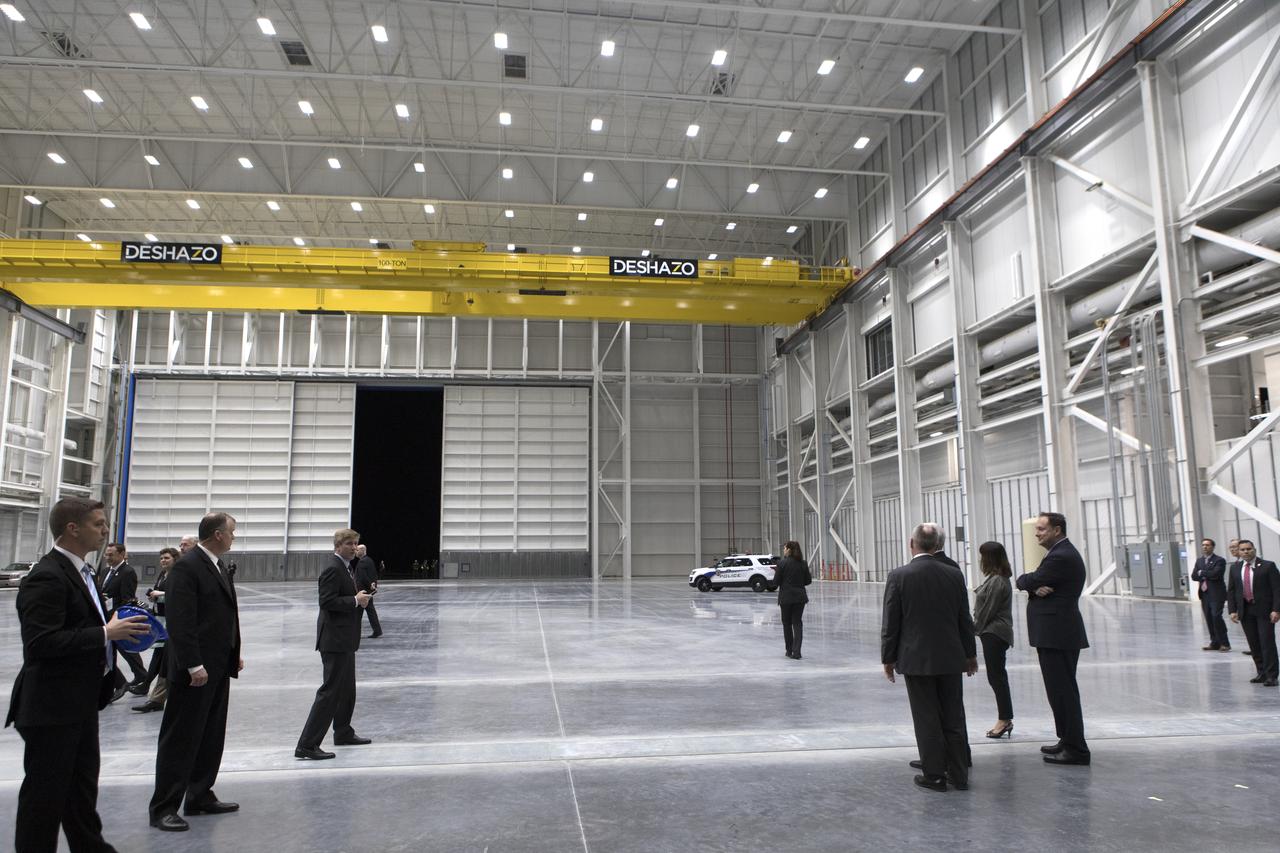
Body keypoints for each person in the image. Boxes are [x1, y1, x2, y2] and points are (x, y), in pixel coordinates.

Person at [6, 497, 149, 853]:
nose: (105, 531)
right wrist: (106, 633)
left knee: (80, 791)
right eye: (98, 524)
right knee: (45, 799)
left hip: (80, 702)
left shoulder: (84, 573)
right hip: (51, 707)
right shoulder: (46, 577)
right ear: (73, 528)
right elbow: (40, 643)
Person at [149, 513, 243, 832]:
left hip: (217, 665)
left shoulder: (216, 565)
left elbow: (222, 615)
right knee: (181, 738)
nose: (233, 537)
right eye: (231, 532)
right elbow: (180, 620)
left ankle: (199, 794)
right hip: (196, 669)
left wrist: (234, 653)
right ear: (217, 534)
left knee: (209, 734)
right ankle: (164, 806)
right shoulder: (187, 568)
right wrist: (193, 663)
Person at [881, 522, 977, 792]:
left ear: (912, 544)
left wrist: (888, 659)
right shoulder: (954, 575)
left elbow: (892, 623)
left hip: (916, 658)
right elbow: (963, 620)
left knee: (926, 718)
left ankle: (934, 775)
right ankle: (959, 776)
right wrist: (970, 654)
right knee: (953, 716)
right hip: (950, 657)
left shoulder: (899, 576)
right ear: (937, 545)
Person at [1016, 512, 1090, 766]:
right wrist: (1034, 586)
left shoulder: (1060, 557)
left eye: (1041, 529)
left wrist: (1030, 583)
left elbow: (1027, 579)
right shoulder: (1058, 554)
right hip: (1055, 633)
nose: (1036, 533)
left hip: (1058, 633)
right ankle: (1067, 740)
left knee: (1063, 692)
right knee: (1058, 691)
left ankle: (1076, 749)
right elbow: (1035, 582)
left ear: (1057, 530)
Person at [295, 529, 374, 760]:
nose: (354, 547)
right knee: (330, 692)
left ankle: (343, 732)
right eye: (349, 543)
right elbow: (326, 601)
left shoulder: (346, 567)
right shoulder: (333, 568)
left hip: (345, 639)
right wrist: (354, 601)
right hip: (335, 640)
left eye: (356, 543)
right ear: (338, 546)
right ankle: (307, 744)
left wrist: (357, 596)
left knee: (347, 690)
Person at [973, 541, 1014, 739]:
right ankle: (1005, 718)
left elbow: (988, 610)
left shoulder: (997, 581)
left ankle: (1004, 719)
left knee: (996, 677)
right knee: (996, 676)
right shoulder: (995, 579)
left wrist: (973, 629)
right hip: (992, 632)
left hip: (995, 633)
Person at [1226, 539, 1279, 686]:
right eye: (1242, 550)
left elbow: (1277, 589)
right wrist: (1232, 610)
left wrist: (1276, 609)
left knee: (1266, 642)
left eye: (1248, 549)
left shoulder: (1268, 566)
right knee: (1254, 643)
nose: (1245, 552)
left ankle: (1271, 676)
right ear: (1239, 551)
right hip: (1245, 610)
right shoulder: (1235, 568)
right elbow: (1231, 591)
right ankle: (1261, 672)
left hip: (1264, 611)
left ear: (1254, 549)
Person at [101, 542, 149, 697]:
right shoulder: (106, 571)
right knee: (118, 650)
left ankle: (135, 677)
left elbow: (127, 599)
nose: (108, 557)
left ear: (122, 555)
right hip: (105, 617)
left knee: (124, 649)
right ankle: (139, 675)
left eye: (111, 555)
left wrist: (117, 617)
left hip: (116, 618)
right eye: (106, 554)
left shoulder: (127, 572)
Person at [134, 547, 178, 714]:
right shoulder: (162, 574)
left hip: (170, 621)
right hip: (160, 618)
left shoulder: (177, 575)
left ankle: (148, 686)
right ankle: (150, 689)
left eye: (166, 558)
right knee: (160, 656)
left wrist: (161, 594)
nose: (163, 561)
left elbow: (177, 595)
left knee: (162, 657)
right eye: (161, 558)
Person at [774, 540, 812, 659]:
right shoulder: (803, 563)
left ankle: (789, 650)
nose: (784, 550)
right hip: (800, 598)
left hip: (786, 598)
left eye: (785, 548)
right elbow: (808, 581)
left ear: (789, 550)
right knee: (797, 623)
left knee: (787, 624)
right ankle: (797, 652)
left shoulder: (781, 564)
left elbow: (775, 582)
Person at [1191, 538, 1230, 652]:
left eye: (1207, 545)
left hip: (1217, 594)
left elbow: (1216, 574)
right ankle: (1215, 642)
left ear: (1213, 547)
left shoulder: (1219, 560)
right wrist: (1206, 574)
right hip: (1205, 594)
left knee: (1216, 616)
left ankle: (1225, 643)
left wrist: (1202, 573)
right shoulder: (1199, 561)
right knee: (1209, 618)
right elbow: (1194, 576)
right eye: (1203, 545)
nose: (1205, 547)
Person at [354, 544, 382, 639]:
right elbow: (374, 575)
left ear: (362, 550)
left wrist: (360, 590)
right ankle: (377, 630)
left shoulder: (362, 562)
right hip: (368, 592)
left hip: (363, 592)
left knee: (357, 614)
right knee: (370, 612)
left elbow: (362, 578)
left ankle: (355, 633)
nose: (355, 552)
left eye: (357, 550)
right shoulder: (369, 560)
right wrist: (373, 586)